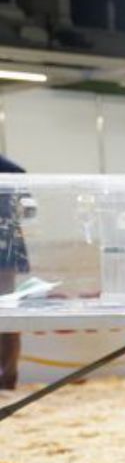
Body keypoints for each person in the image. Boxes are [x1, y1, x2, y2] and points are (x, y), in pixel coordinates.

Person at [0, 155, 27, 390]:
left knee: (6, 318)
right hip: (5, 254)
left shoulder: (9, 170)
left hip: (3, 255)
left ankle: (6, 380)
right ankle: (7, 379)